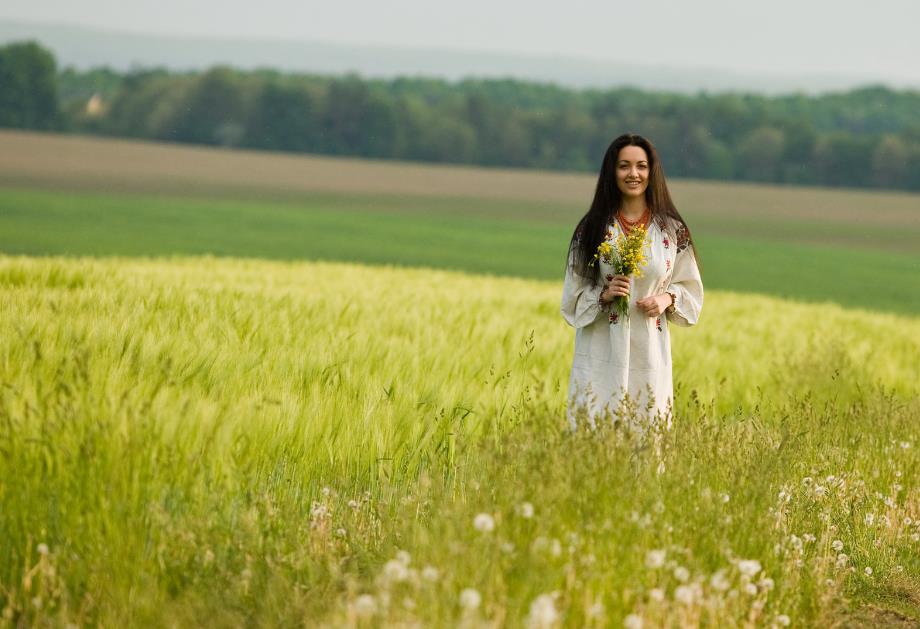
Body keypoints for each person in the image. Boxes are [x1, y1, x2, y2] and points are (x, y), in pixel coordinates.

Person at [561, 133, 703, 434]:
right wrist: (604, 295)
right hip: (600, 352)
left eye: (641, 166)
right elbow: (571, 299)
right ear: (612, 172)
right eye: (624, 166)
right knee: (593, 445)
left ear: (652, 172)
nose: (633, 174)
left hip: (648, 354)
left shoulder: (671, 231)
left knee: (646, 443)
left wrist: (666, 299)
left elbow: (691, 290)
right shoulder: (591, 228)